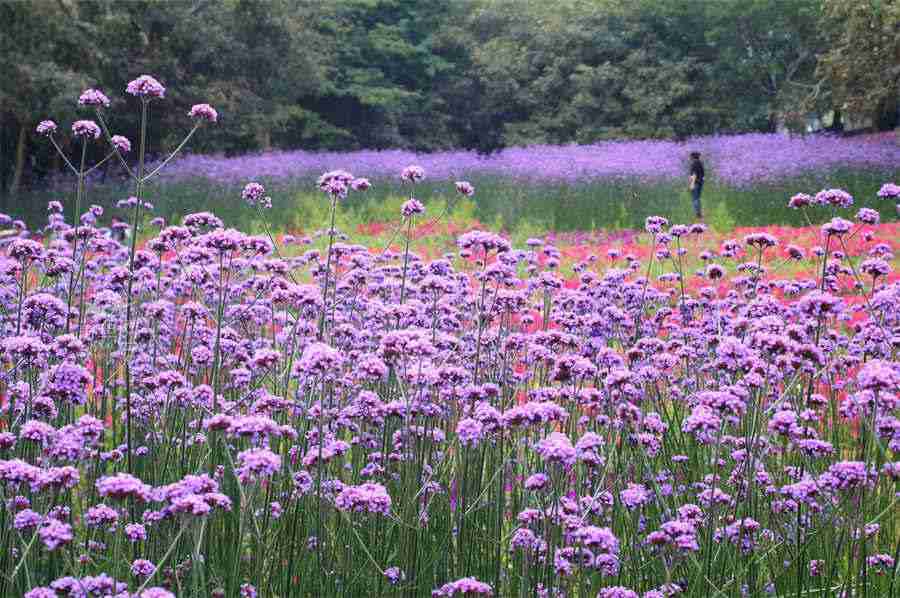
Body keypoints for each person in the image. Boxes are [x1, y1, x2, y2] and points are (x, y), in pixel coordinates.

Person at [688, 151, 705, 219]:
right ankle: (699, 212)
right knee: (698, 198)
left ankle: (698, 214)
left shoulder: (693, 164)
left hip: (695, 183)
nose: (689, 158)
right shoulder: (700, 163)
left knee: (695, 199)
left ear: (692, 157)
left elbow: (694, 174)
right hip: (700, 182)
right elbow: (703, 175)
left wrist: (691, 184)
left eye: (690, 156)